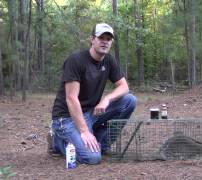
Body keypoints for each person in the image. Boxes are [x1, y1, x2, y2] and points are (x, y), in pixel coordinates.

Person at [48, 23, 137, 164]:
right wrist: (84, 131)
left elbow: (124, 87)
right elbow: (71, 99)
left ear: (111, 42)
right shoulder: (76, 61)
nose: (105, 41)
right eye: (101, 37)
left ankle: (101, 143)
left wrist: (106, 99)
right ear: (92, 39)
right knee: (92, 158)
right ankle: (57, 142)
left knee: (129, 100)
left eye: (108, 39)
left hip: (91, 113)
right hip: (67, 118)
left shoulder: (108, 60)